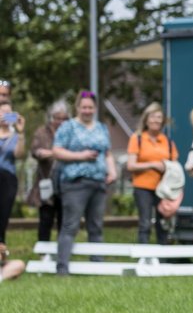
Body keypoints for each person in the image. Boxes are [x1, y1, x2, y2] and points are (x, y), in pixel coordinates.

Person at [52, 91, 117, 276]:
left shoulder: (102, 128)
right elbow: (56, 151)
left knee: (96, 225)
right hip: (75, 183)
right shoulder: (68, 127)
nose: (87, 110)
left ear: (95, 109)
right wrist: (80, 156)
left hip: (98, 182)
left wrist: (112, 171)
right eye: (84, 107)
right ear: (78, 108)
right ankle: (62, 268)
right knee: (70, 225)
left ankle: (97, 265)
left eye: (90, 107)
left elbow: (108, 154)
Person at [126, 103, 178, 245]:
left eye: (159, 117)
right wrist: (153, 165)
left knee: (163, 224)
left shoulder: (167, 142)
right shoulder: (137, 138)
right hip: (143, 187)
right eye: (152, 117)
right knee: (145, 223)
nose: (156, 120)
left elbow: (175, 167)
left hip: (163, 189)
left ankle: (163, 258)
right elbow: (131, 165)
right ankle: (145, 257)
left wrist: (166, 167)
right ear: (146, 120)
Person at [28, 100, 70, 242]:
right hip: (46, 183)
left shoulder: (71, 131)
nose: (61, 121)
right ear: (52, 117)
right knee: (46, 219)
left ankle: (61, 253)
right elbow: (36, 152)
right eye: (58, 118)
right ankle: (43, 254)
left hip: (66, 183)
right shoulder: (42, 132)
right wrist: (58, 153)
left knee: (64, 220)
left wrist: (51, 153)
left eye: (64, 118)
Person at [0, 99, 26, 245]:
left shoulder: (15, 135)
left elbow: (19, 155)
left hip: (8, 180)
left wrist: (21, 132)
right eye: (2, 112)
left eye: (9, 113)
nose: (5, 116)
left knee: (3, 217)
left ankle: (1, 250)